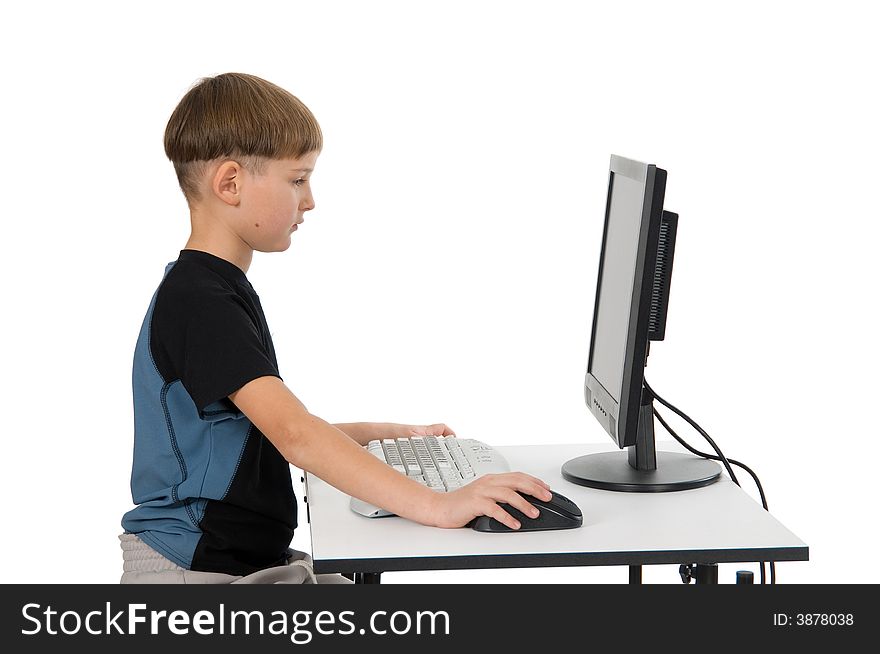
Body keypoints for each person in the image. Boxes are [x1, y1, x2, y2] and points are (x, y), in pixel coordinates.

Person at [119, 72, 552, 584]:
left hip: (229, 562)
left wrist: (386, 438)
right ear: (230, 183)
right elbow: (294, 435)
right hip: (193, 574)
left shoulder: (211, 289)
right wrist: (438, 505)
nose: (310, 200)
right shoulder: (200, 302)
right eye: (297, 179)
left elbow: (255, 435)